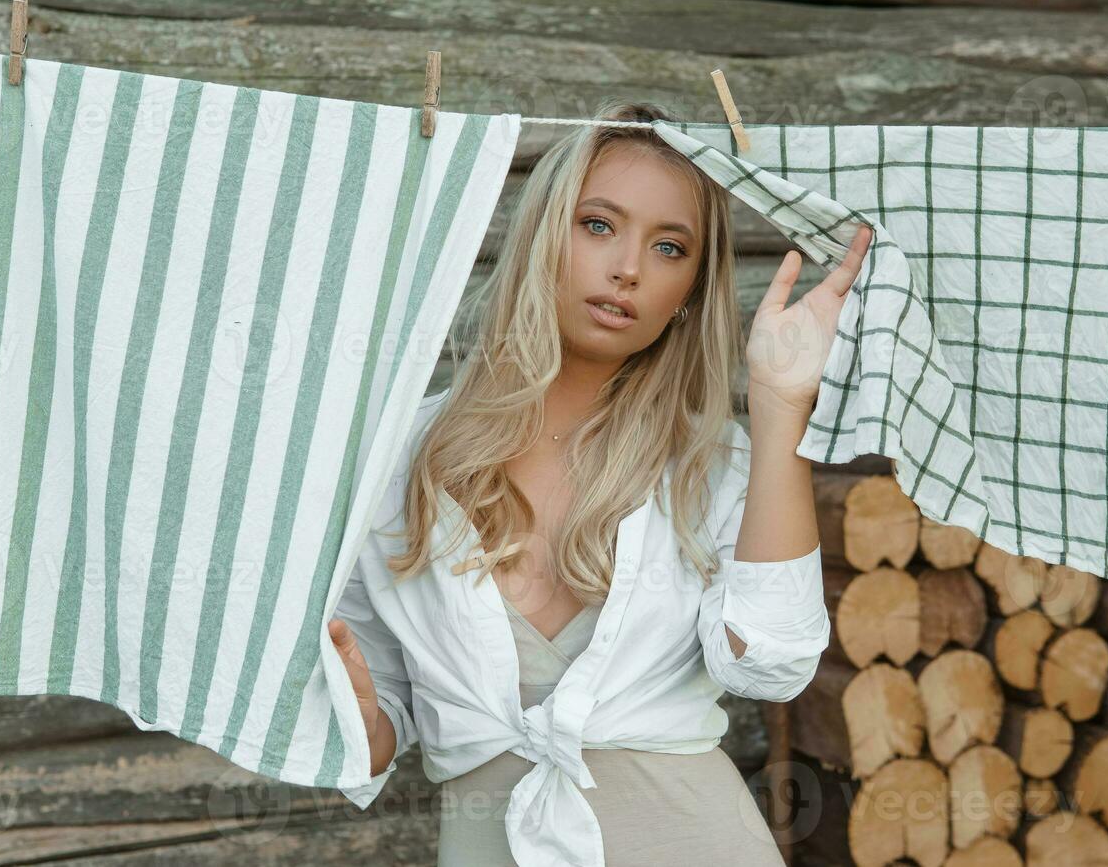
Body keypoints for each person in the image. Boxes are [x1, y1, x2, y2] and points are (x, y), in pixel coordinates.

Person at [327, 98, 873, 866]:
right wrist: (356, 708)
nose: (627, 268)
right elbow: (381, 721)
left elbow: (770, 663)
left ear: (689, 289)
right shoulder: (401, 456)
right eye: (598, 225)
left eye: (670, 247)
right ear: (545, 231)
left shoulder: (711, 465)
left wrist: (782, 409)